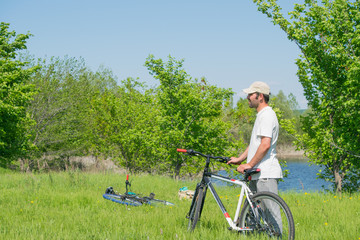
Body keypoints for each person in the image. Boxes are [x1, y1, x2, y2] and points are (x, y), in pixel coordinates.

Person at [227, 81, 283, 195]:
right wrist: (240, 159)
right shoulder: (261, 115)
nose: (247, 97)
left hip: (265, 175)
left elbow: (265, 144)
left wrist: (249, 165)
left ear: (260, 96)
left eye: (250, 94)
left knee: (271, 213)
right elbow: (255, 143)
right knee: (255, 212)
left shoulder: (267, 115)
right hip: (257, 174)